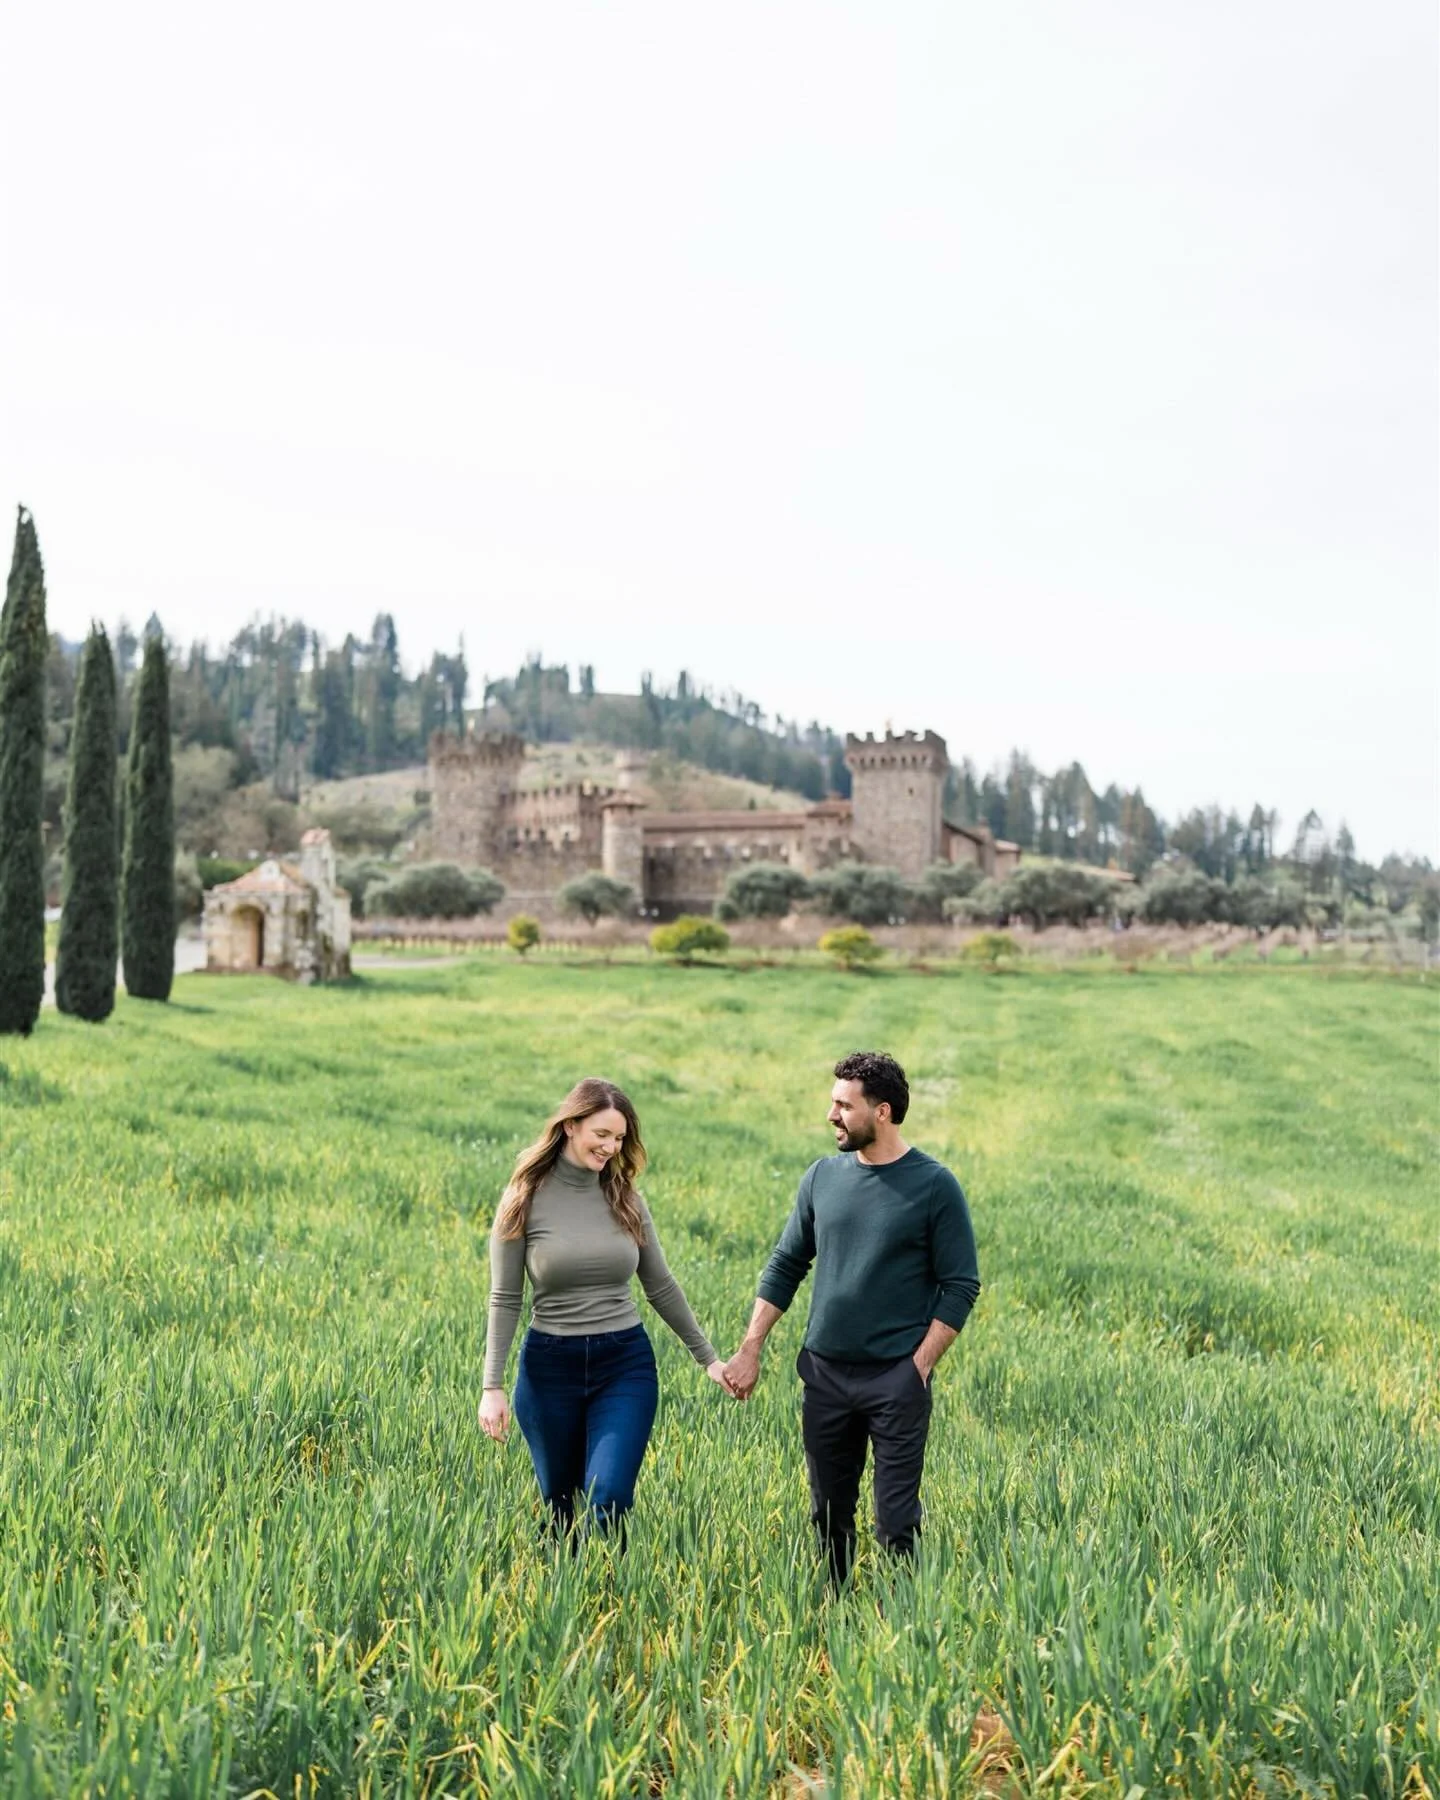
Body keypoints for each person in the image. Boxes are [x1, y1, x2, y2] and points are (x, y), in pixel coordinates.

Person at [723, 1051, 980, 1584]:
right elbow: (787, 1262)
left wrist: (919, 1367)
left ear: (882, 1112)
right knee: (827, 1515)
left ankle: (897, 1634)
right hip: (824, 1375)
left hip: (895, 1379)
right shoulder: (822, 1177)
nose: (831, 1115)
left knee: (896, 1524)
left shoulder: (934, 1185)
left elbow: (960, 1285)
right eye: (832, 1102)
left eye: (844, 1105)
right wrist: (751, 1346)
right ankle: (833, 1613)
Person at [478, 1077, 730, 1537]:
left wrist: (708, 1358)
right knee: (560, 1510)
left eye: (620, 1138)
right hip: (549, 1369)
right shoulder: (523, 1200)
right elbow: (505, 1298)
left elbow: (661, 1285)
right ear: (571, 1125)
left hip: (623, 1365)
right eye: (603, 1135)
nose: (612, 1147)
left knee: (609, 1496)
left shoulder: (626, 1199)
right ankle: (568, 1598)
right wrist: (491, 1386)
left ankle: (614, 1590)